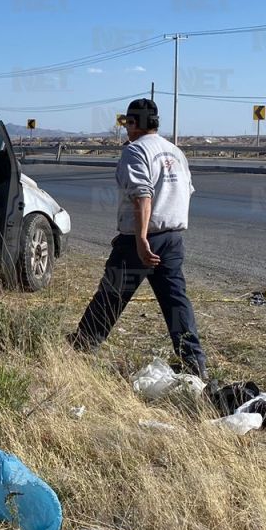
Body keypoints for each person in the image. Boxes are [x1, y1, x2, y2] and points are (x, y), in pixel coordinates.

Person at [70, 98, 207, 377]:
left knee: (110, 296)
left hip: (141, 240)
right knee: (176, 302)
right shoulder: (175, 152)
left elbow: (142, 197)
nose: (126, 130)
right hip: (172, 239)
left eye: (127, 124)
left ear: (134, 123)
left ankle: (81, 349)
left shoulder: (135, 151)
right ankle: (195, 364)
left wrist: (140, 239)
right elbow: (186, 192)